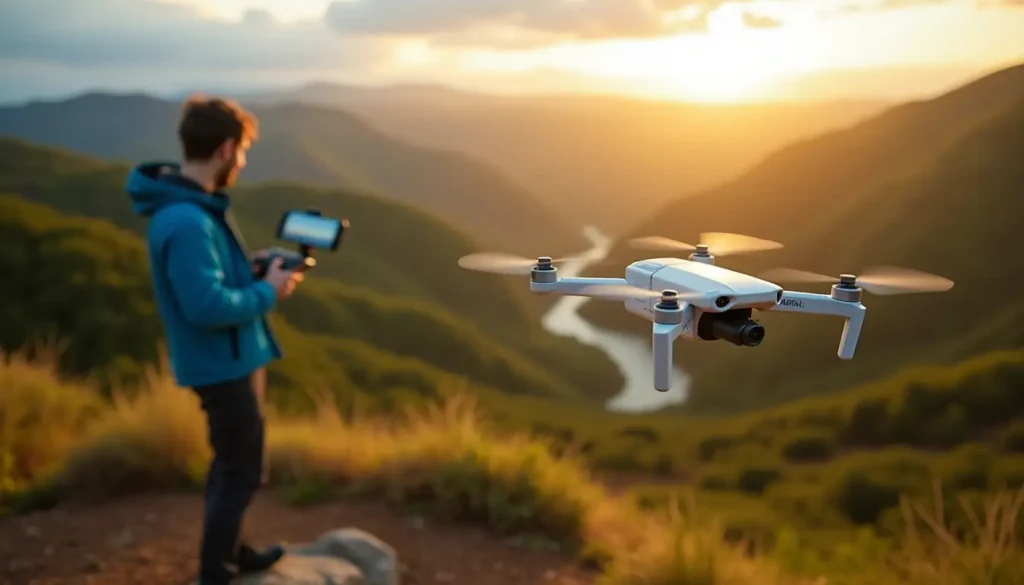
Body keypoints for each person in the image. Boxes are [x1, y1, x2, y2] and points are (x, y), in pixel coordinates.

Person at [125, 94, 302, 584]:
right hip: (221, 364)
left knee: (231, 468)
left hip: (230, 357)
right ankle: (216, 573)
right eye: (242, 152)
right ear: (226, 149)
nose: (242, 163)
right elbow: (204, 307)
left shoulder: (190, 209)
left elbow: (209, 283)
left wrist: (247, 271)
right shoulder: (186, 220)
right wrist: (267, 290)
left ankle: (234, 553)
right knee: (241, 472)